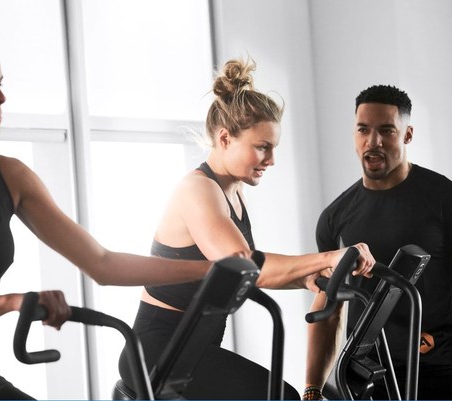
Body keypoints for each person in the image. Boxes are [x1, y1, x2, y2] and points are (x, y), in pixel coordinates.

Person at [0, 25, 224, 400]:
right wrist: (8, 302)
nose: (1, 96)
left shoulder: (9, 178)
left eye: (0, 83)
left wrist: (209, 270)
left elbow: (102, 263)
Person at [117, 58, 376, 399]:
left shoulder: (232, 192)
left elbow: (250, 270)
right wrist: (327, 256)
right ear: (225, 139)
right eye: (262, 147)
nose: (271, 159)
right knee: (280, 397)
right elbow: (245, 266)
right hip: (157, 352)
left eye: (273, 148)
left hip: (193, 348)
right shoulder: (198, 190)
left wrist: (308, 277)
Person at [304, 84, 452, 400]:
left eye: (386, 131)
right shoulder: (335, 218)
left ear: (408, 135)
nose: (372, 141)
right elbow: (329, 307)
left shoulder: (449, 202)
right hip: (365, 377)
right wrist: (312, 389)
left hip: (439, 373)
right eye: (363, 129)